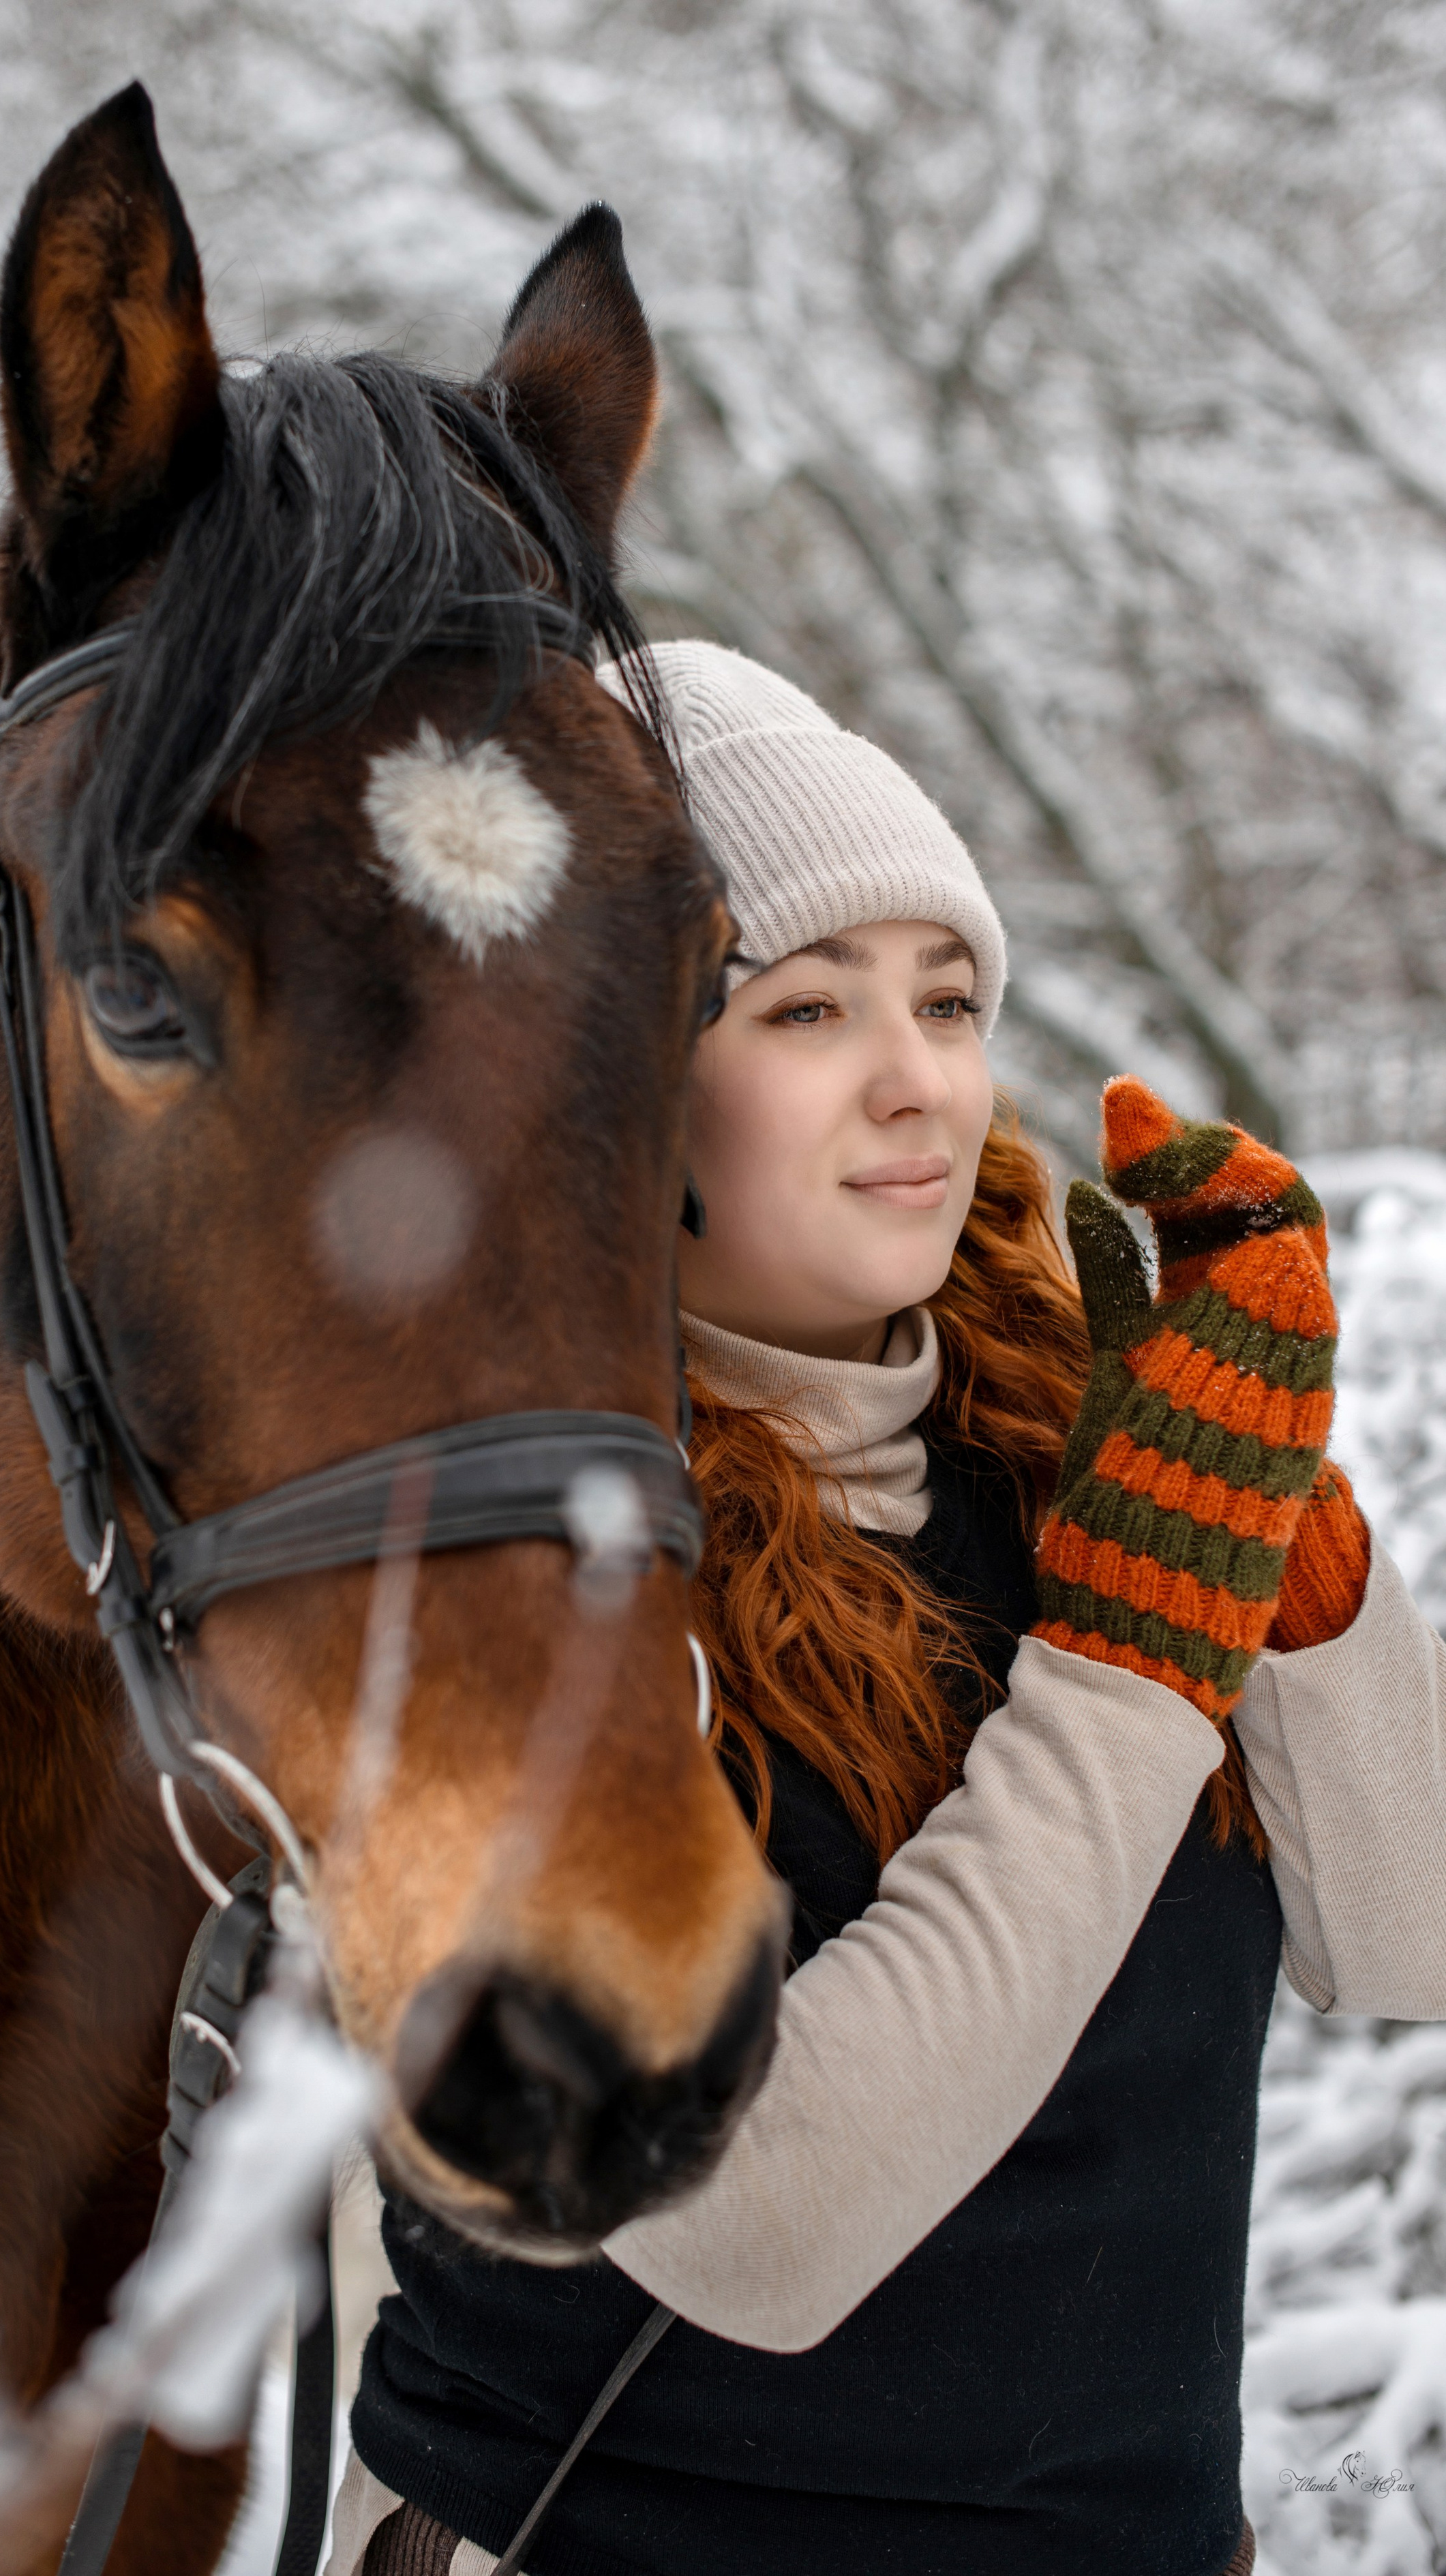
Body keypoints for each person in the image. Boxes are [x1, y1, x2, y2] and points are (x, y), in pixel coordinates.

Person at [325, 644, 1446, 2576]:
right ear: (614, 1093)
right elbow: (760, 2212)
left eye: (947, 996)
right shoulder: (476, 1561)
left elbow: (1413, 1929)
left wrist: (1297, 1548)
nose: (915, 1074)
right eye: (807, 1006)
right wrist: (1133, 1670)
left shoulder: (1059, 1439)